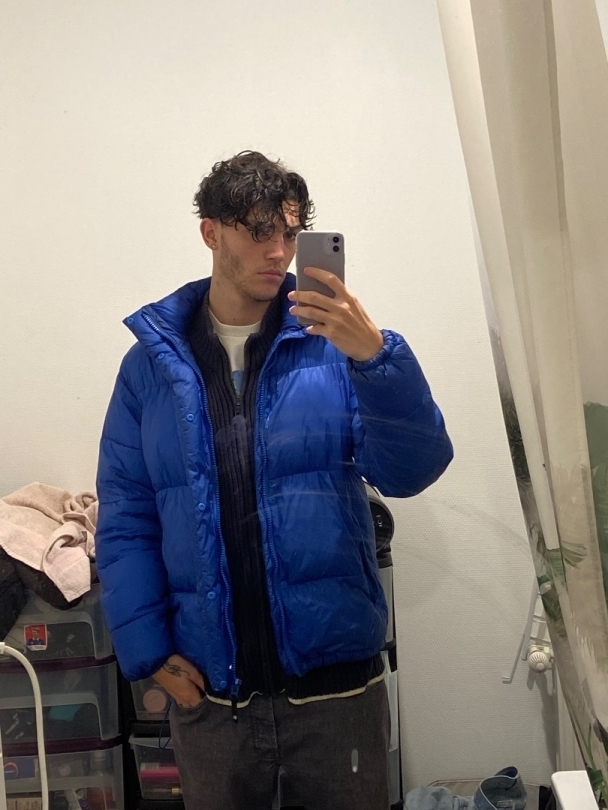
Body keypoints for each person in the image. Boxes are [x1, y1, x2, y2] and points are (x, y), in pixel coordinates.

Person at [95, 150, 454, 810]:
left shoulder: (336, 348)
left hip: (337, 691)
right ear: (210, 232)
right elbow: (126, 517)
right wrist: (149, 655)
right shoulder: (150, 368)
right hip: (211, 696)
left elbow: (412, 471)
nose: (279, 252)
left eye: (289, 233)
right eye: (259, 231)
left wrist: (377, 358)